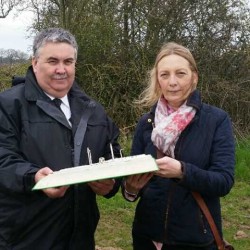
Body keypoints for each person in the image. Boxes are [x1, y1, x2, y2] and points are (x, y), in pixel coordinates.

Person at [0, 28, 121, 250]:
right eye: (53, 61)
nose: (61, 69)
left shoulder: (93, 110)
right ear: (35, 63)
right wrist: (34, 177)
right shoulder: (8, 105)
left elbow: (113, 153)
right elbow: (3, 159)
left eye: (68, 61)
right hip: (25, 238)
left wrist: (111, 185)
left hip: (80, 238)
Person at [122, 42, 235, 250]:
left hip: (195, 240)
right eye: (164, 75)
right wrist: (130, 188)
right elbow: (130, 185)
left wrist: (182, 171)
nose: (172, 82)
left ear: (194, 77)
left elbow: (223, 182)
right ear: (157, 79)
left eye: (180, 73)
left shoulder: (216, 120)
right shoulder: (146, 123)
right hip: (146, 237)